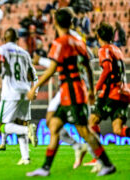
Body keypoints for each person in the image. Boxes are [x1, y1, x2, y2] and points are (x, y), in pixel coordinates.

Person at [26, 8, 115, 176]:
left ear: (56, 22)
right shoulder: (78, 41)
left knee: (84, 131)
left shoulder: (60, 43)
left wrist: (34, 87)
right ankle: (46, 168)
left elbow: (52, 69)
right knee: (53, 124)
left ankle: (107, 164)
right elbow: (88, 66)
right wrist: (90, 89)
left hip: (73, 92)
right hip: (72, 91)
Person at [85, 23, 130, 166]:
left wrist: (96, 88)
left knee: (92, 121)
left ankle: (98, 158)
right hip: (124, 93)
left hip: (111, 93)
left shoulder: (103, 49)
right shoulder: (117, 49)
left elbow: (107, 68)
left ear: (98, 36)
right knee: (118, 130)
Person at [0, 28, 38, 165]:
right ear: (17, 39)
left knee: (0, 125)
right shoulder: (25, 53)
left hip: (11, 92)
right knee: (18, 122)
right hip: (25, 91)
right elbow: (31, 74)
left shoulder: (1, 49)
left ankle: (27, 129)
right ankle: (25, 158)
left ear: (4, 39)